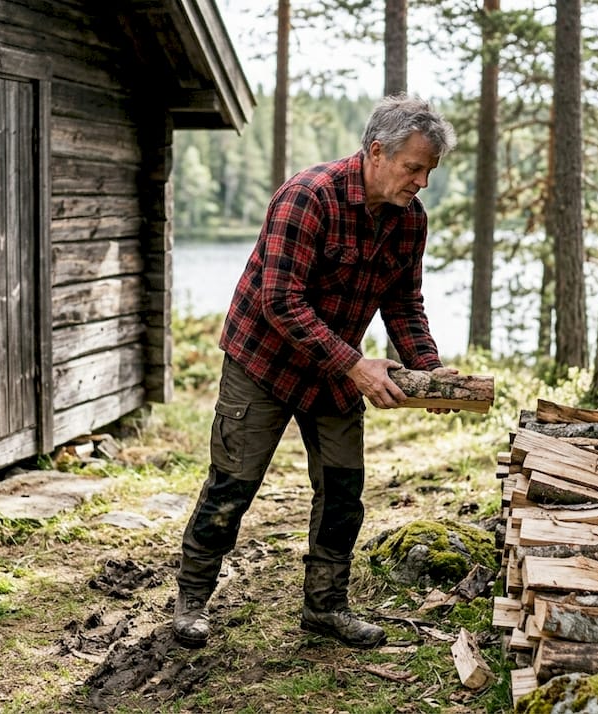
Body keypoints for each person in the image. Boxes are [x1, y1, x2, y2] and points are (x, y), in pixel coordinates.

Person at [173, 95, 459, 649]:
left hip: (334, 368)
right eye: (414, 168)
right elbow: (280, 300)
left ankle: (325, 607)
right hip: (264, 361)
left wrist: (432, 374)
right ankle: (192, 600)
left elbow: (404, 303)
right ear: (377, 152)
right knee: (233, 483)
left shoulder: (410, 221)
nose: (422, 182)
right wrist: (356, 366)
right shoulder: (308, 196)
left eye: (429, 171)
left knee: (343, 489)